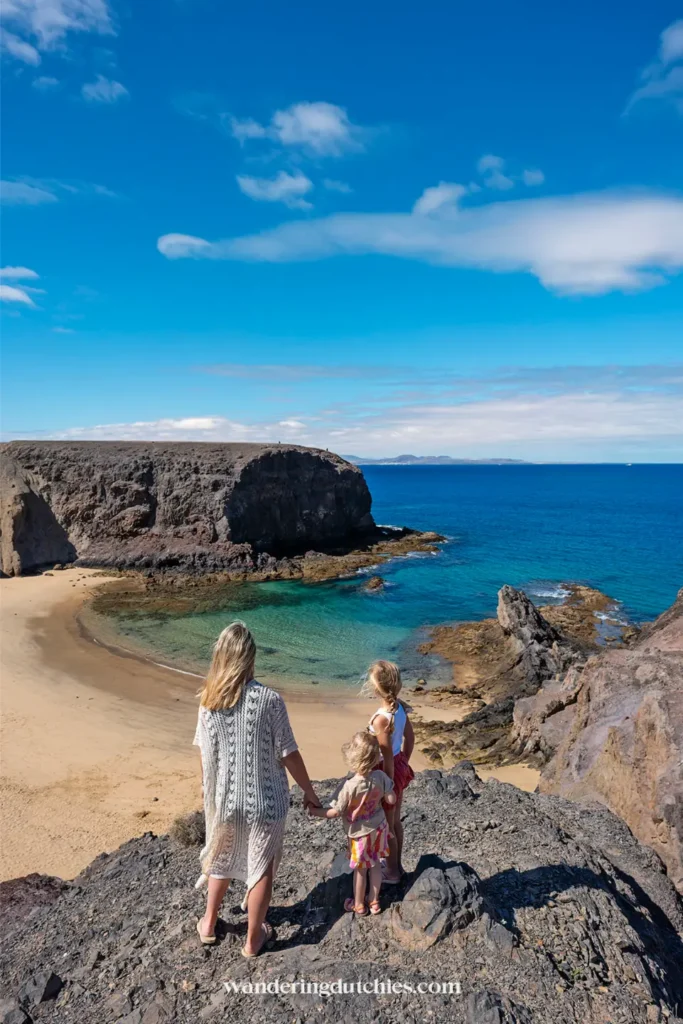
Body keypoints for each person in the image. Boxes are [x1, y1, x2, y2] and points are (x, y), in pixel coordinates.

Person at [194, 621, 320, 956]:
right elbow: (289, 754)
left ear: (220, 657)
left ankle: (208, 924)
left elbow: (205, 757)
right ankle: (253, 941)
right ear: (250, 657)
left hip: (225, 801)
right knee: (261, 865)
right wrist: (310, 792)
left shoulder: (208, 702)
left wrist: (209, 794)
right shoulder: (270, 700)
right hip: (266, 802)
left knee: (222, 856)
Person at [309, 731, 395, 915]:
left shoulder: (349, 785)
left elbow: (335, 811)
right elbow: (391, 799)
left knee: (361, 870)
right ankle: (374, 902)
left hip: (359, 834)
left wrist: (314, 811)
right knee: (376, 865)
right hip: (379, 828)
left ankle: (358, 904)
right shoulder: (380, 776)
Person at [366, 660, 415, 883]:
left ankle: (393, 871)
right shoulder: (400, 708)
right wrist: (404, 761)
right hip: (399, 765)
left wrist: (388, 785)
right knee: (395, 822)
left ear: (376, 689)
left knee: (388, 826)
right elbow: (410, 738)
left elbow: (385, 757)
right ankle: (397, 864)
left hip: (387, 772)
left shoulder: (380, 720)